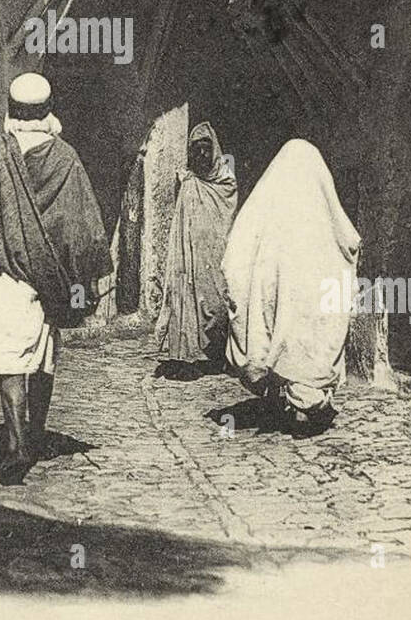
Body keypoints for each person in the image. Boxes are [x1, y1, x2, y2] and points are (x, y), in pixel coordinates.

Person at [0, 73, 111, 484]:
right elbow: (82, 228)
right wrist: (84, 279)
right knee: (40, 357)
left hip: (4, 276)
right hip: (48, 279)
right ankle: (32, 437)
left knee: (9, 363)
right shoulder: (66, 159)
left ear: (12, 110)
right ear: (47, 110)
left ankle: (18, 445)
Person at [222, 138, 361, 436]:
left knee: (277, 336)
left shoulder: (265, 213)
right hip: (312, 311)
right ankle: (308, 397)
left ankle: (289, 391)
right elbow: (348, 239)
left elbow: (236, 253)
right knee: (310, 345)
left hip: (276, 306)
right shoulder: (322, 217)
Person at [155, 121, 237, 379]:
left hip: (214, 255)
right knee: (185, 300)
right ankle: (185, 358)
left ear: (214, 150)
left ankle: (220, 355)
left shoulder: (225, 180)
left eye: (206, 148)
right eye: (196, 149)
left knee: (217, 304)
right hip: (187, 256)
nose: (201, 154)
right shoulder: (188, 181)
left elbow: (226, 211)